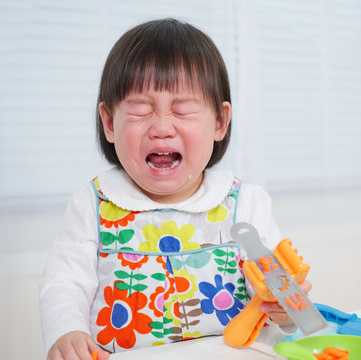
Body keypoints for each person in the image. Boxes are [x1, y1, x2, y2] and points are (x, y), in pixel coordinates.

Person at [40, 18, 311, 360]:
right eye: (140, 110)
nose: (162, 128)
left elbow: (278, 302)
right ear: (109, 123)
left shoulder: (245, 203)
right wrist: (67, 332)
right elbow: (64, 284)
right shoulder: (94, 202)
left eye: (183, 110)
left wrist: (284, 309)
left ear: (219, 122)